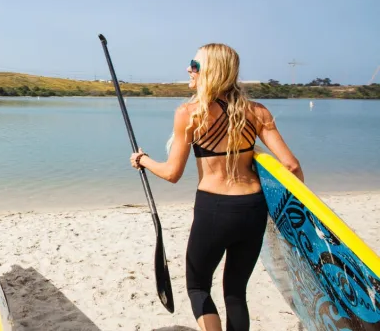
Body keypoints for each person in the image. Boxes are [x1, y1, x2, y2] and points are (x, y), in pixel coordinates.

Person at [129, 43, 303, 331]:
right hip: (253, 208)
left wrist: (143, 160)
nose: (188, 69)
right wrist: (296, 212)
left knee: (198, 287)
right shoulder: (258, 111)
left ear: (212, 71)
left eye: (194, 65)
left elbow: (172, 173)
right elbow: (292, 166)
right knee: (235, 292)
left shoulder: (190, 113)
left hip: (215, 208)